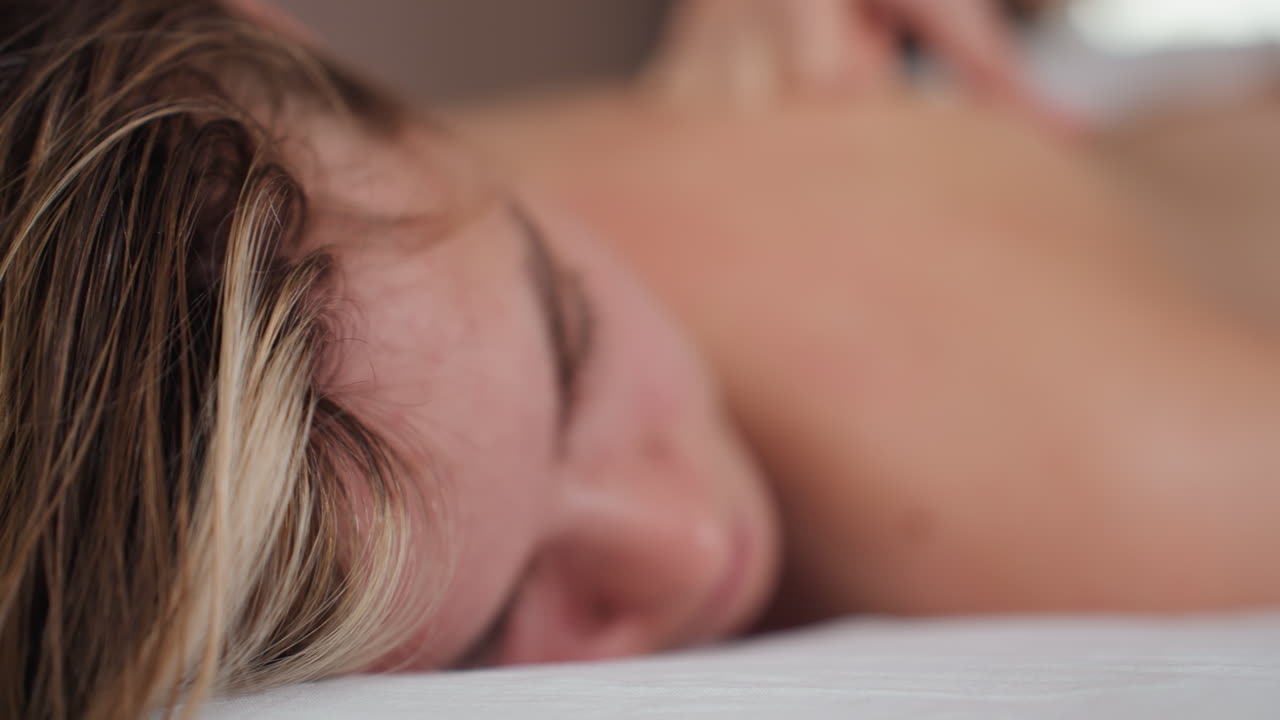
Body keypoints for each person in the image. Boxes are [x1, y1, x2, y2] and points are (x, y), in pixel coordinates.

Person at [2, 2, 1277, 720]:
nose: (690, 546)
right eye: (490, 639)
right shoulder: (376, 194)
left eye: (573, 337)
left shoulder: (1088, 483)